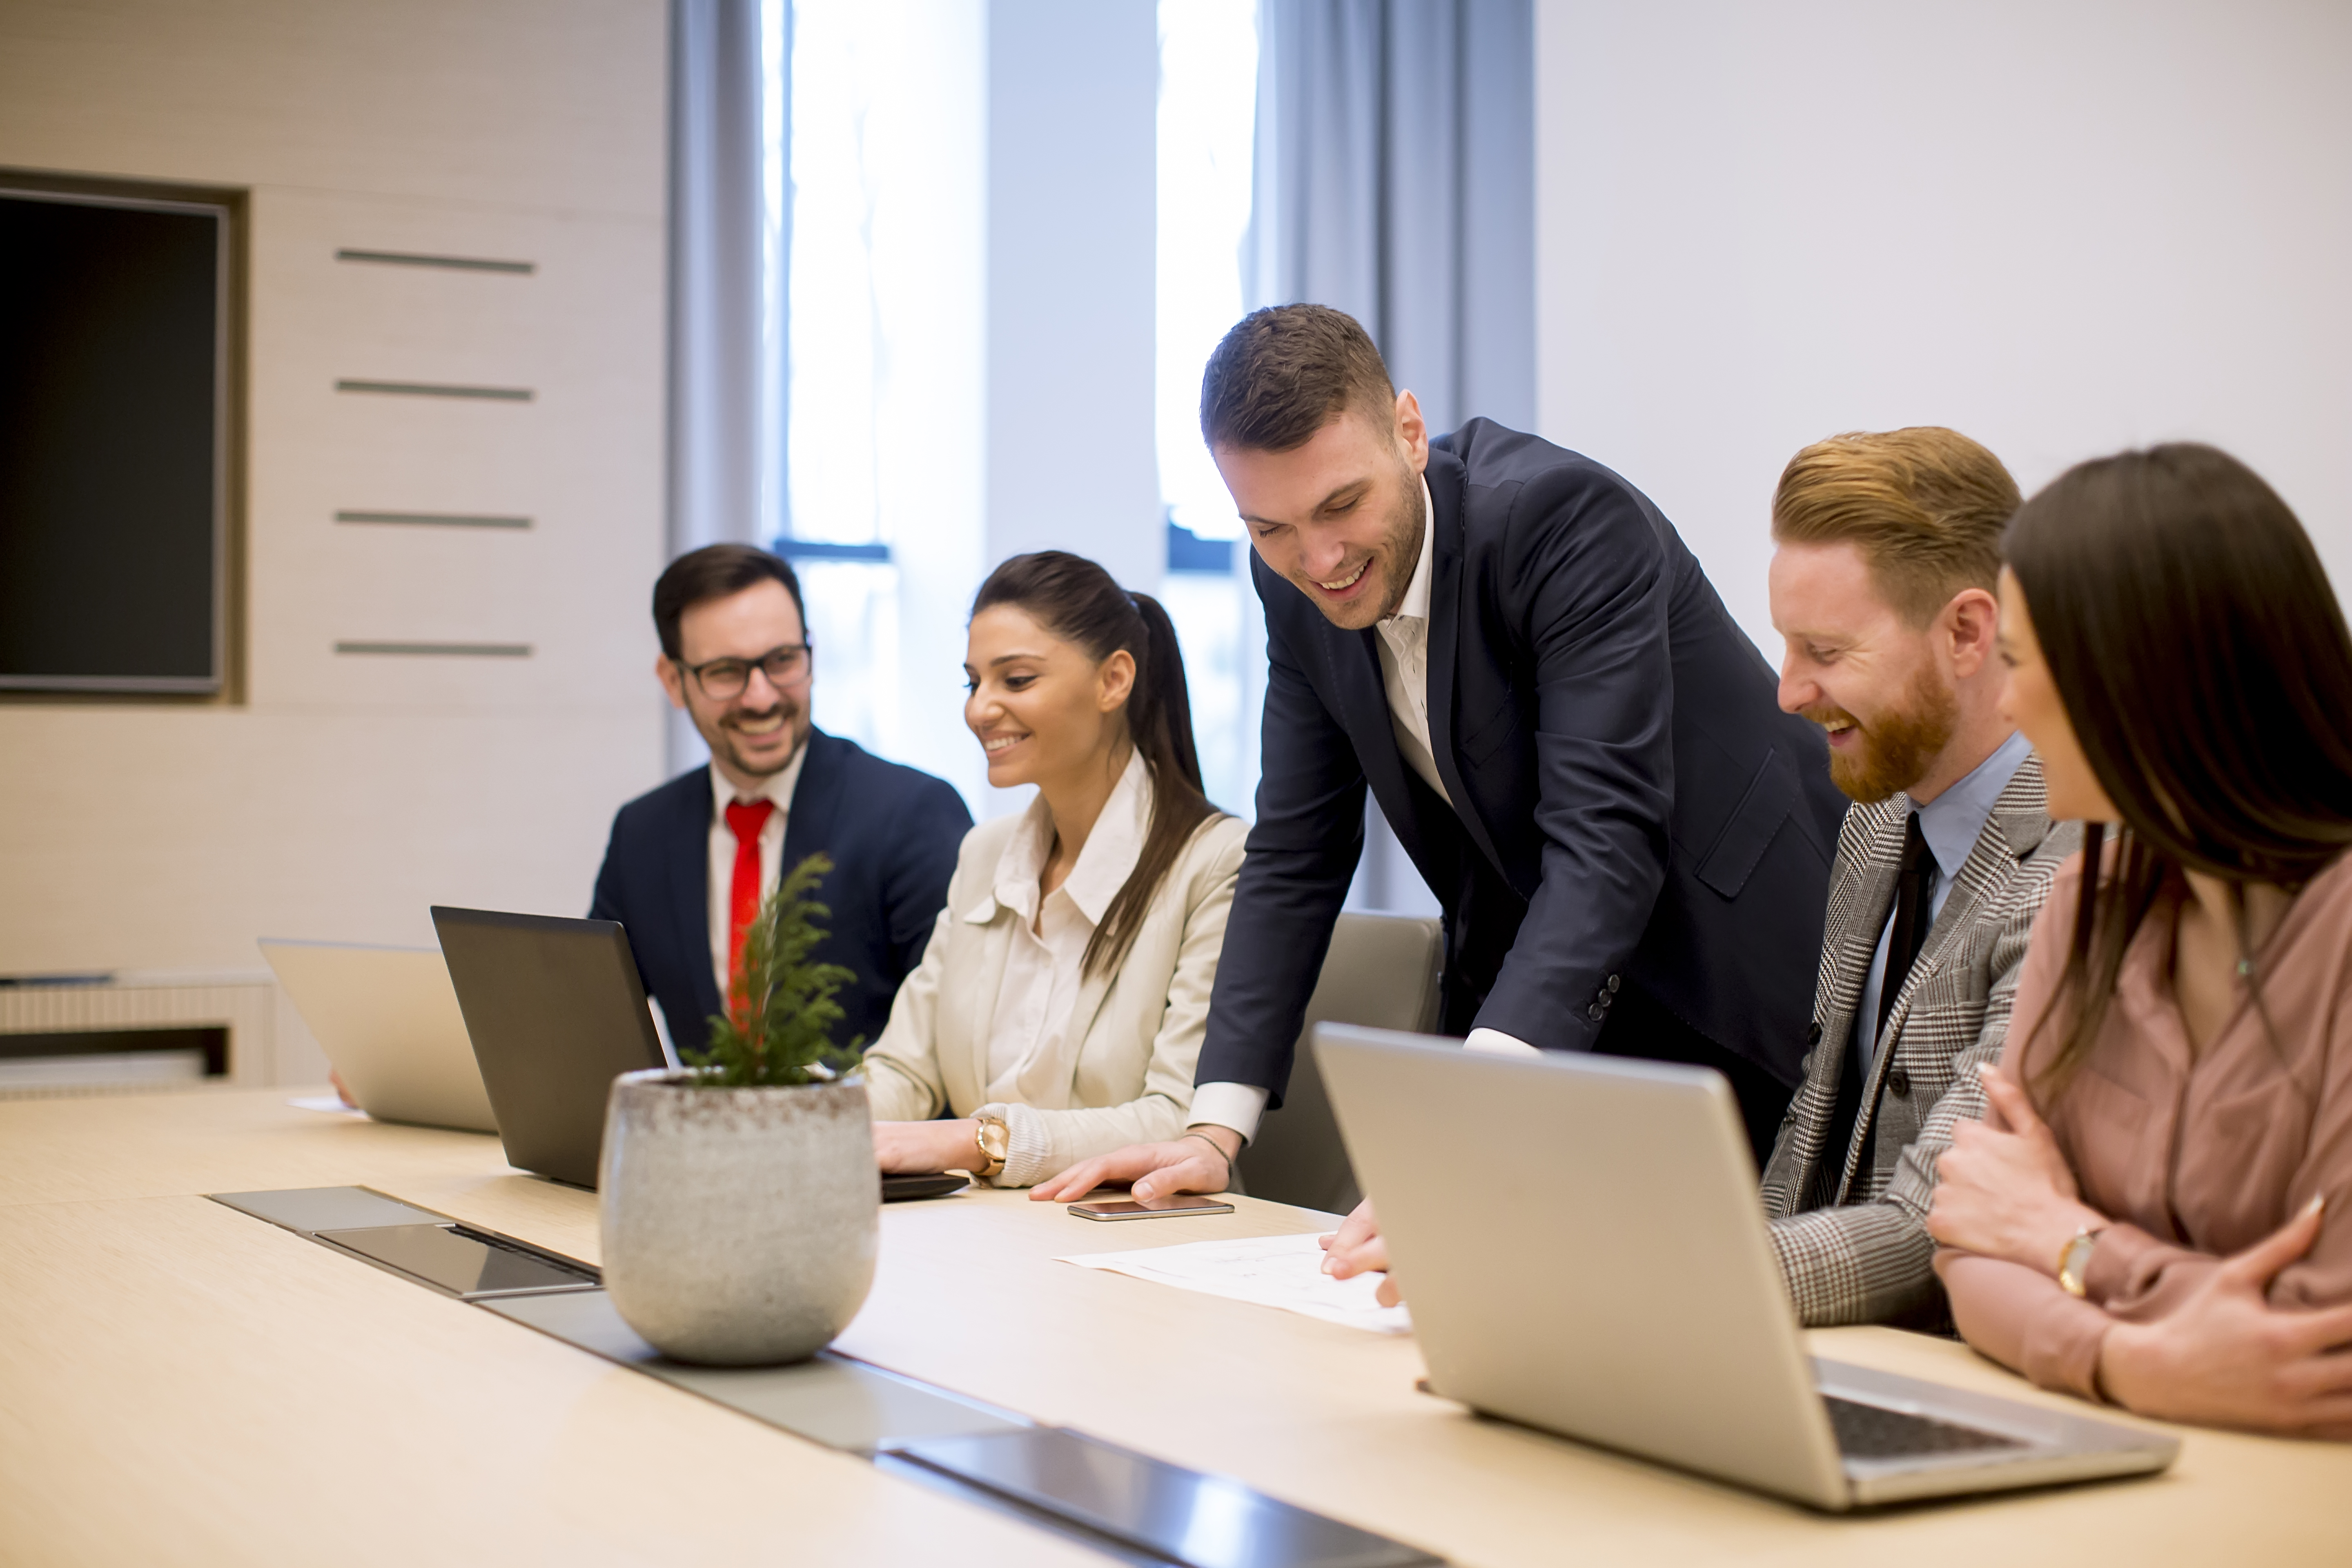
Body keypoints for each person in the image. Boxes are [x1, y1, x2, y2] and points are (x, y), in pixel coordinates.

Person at [1035, 303, 1846, 1207]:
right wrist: (1212, 1127)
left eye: (1343, 503)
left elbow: (1606, 842)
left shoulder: (1562, 520)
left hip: (1743, 964)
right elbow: (1297, 855)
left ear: (1411, 433)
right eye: (1270, 528)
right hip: (1553, 989)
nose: (1320, 558)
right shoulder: (1290, 577)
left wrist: (1468, 1110)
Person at [1325, 427, 2082, 1318]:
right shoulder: (1876, 826)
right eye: (1788, 648)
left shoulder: (2074, 877)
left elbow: (1927, 1225)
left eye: (1827, 654)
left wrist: (1598, 1275)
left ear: (1966, 631)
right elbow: (1803, 1157)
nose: (1788, 693)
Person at [1929, 443, 2352, 1439]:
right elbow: (1969, 1254)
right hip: (2136, 1454)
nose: (2000, 703)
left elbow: (2318, 1343)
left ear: (2139, 681)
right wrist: (2127, 1361)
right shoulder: (2085, 903)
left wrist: (2067, 1241)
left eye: (2022, 665)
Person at [863, 552, 1247, 1188]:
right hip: (999, 1233)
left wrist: (978, 1141)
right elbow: (906, 1069)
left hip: (1139, 1235)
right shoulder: (984, 854)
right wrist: (809, 1129)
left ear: (1113, 681)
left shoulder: (1216, 861)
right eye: (973, 682)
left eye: (1015, 680)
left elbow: (1182, 1119)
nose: (980, 709)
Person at [589, 544, 971, 1058]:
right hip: (703, 1136)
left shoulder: (912, 814)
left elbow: (956, 1040)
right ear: (674, 681)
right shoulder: (643, 833)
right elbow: (590, 1021)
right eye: (726, 671)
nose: (762, 697)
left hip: (869, 1133)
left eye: (783, 660)